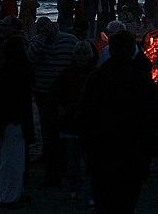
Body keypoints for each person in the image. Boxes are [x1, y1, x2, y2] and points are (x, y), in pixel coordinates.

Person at [79, 30, 158, 213]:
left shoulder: (97, 77)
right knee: (127, 202)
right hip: (133, 153)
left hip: (102, 152)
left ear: (111, 50)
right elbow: (156, 115)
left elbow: (84, 114)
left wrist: (87, 147)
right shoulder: (142, 79)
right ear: (132, 50)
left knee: (104, 203)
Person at [28, 17, 79, 185]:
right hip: (43, 93)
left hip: (64, 94)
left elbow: (76, 61)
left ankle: (59, 166)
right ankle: (51, 163)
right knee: (48, 129)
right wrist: (43, 38)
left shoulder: (69, 40)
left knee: (60, 129)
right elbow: (31, 58)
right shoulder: (37, 41)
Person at [0, 36, 35, 206]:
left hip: (8, 119)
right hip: (14, 119)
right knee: (13, 159)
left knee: (10, 158)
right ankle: (9, 196)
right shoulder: (19, 70)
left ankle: (12, 192)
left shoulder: (4, 68)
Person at [53, 40, 96, 202]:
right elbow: (58, 96)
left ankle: (86, 188)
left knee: (88, 158)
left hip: (88, 122)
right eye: (79, 53)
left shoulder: (94, 74)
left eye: (84, 53)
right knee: (73, 159)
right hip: (71, 122)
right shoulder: (67, 74)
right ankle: (74, 187)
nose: (82, 57)